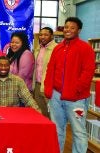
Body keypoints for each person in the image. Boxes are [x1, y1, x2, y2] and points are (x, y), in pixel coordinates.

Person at [44, 17, 95, 153]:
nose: (68, 30)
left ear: (79, 30)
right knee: (57, 129)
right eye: (66, 27)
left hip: (76, 99)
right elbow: (50, 70)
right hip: (56, 97)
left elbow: (88, 72)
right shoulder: (58, 48)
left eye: (72, 28)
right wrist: (49, 90)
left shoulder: (85, 48)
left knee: (78, 131)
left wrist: (75, 90)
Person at [32, 27, 57, 118]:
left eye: (46, 35)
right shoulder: (38, 48)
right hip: (38, 85)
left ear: (51, 36)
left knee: (53, 114)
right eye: (41, 35)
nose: (43, 37)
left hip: (49, 86)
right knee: (41, 114)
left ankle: (54, 132)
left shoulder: (56, 49)